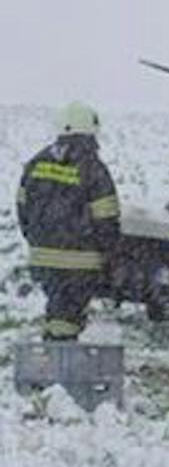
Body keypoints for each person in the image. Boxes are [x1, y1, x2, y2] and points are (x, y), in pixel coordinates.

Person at [15, 102, 121, 341]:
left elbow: (23, 210)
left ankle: (54, 350)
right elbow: (106, 218)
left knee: (58, 305)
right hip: (80, 259)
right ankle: (61, 360)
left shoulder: (36, 163)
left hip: (42, 256)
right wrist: (110, 253)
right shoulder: (93, 168)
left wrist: (37, 240)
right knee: (69, 313)